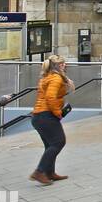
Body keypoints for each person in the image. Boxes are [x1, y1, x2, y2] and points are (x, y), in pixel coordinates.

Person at [29, 54, 74, 185]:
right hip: (46, 116)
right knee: (58, 142)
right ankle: (39, 172)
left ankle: (49, 173)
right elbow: (50, 98)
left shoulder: (47, 77)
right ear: (57, 66)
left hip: (39, 116)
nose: (65, 65)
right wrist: (58, 112)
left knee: (50, 145)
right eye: (62, 64)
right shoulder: (56, 78)